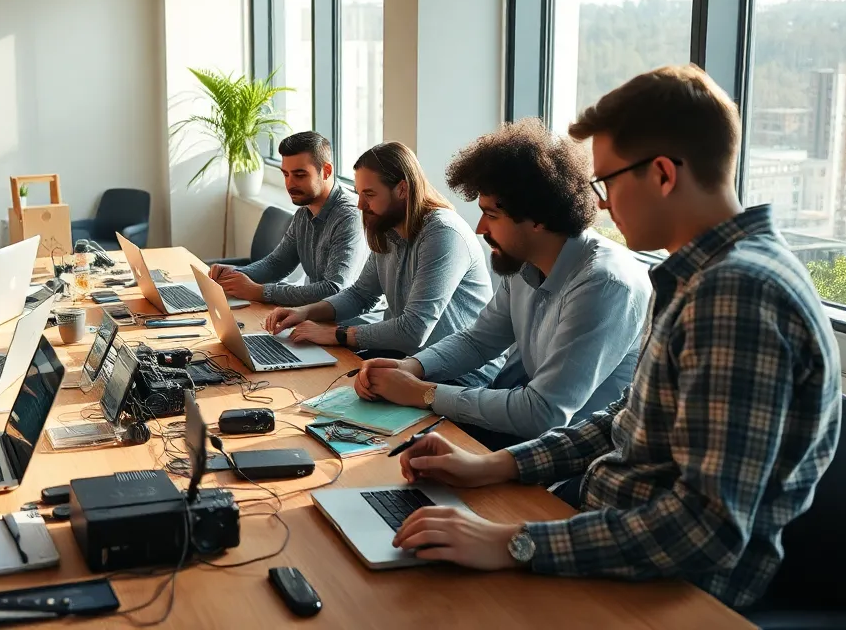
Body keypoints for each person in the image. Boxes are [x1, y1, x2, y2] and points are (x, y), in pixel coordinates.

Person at [389, 65, 840, 610]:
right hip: (605, 525)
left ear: (664, 175)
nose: (599, 204)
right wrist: (494, 466)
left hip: (671, 590)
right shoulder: (699, 277)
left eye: (607, 182)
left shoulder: (736, 295)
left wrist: (513, 540)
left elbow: (705, 529)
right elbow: (624, 422)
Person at [353, 119, 651, 449]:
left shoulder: (603, 284)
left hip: (569, 460)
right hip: (524, 437)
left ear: (537, 218)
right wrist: (412, 367)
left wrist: (421, 392)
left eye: (491, 215)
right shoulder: (524, 261)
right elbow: (478, 341)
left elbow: (543, 413)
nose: (480, 228)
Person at [265, 141, 493, 359]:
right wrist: (304, 312)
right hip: (405, 360)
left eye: (370, 194)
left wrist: (338, 334)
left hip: (457, 376)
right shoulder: (388, 226)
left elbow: (413, 331)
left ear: (402, 189)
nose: (361, 205)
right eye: (359, 193)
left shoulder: (442, 233)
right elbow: (360, 295)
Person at [208, 131, 366, 306]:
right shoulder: (303, 213)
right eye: (285, 174)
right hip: (308, 315)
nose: (290, 184)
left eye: (299, 175)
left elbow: (334, 289)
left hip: (342, 324)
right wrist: (236, 274)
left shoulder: (348, 218)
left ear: (326, 171)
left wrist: (260, 292)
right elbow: (277, 264)